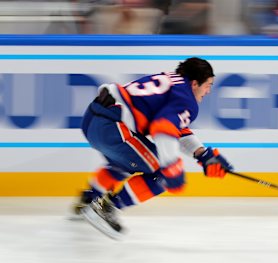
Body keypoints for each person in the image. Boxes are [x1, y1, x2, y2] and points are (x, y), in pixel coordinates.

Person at [73, 57, 233, 239]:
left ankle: (88, 200)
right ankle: (106, 208)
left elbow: (174, 127)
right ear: (195, 83)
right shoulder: (187, 99)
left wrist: (202, 154)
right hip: (113, 126)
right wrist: (170, 165)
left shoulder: (172, 81)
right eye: (208, 85)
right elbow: (163, 128)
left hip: (93, 119)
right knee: (161, 173)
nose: (209, 91)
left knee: (124, 164)